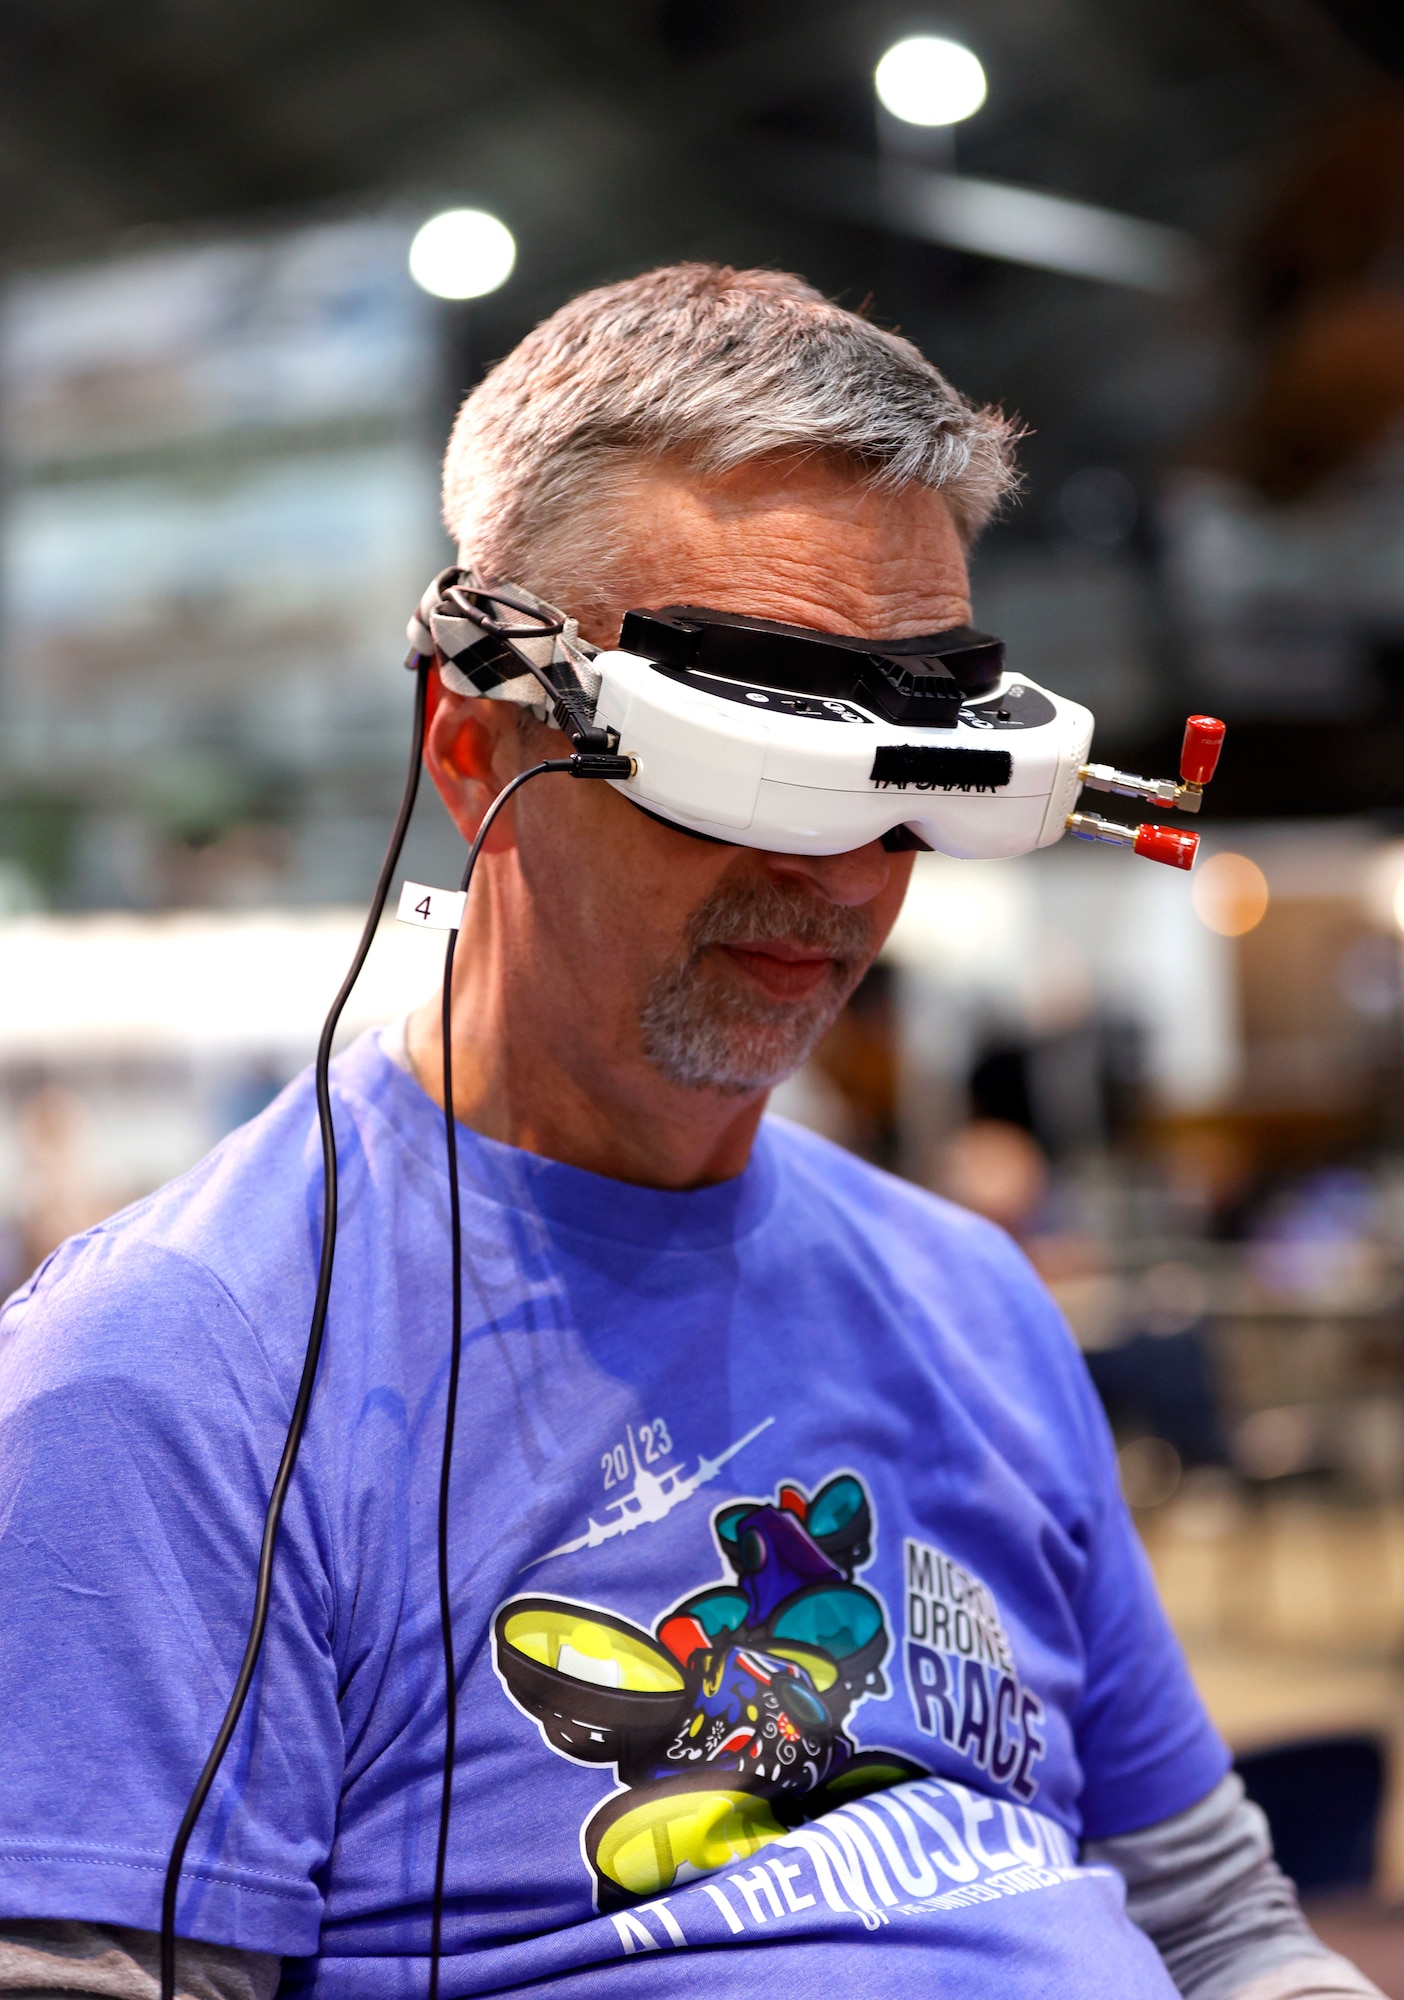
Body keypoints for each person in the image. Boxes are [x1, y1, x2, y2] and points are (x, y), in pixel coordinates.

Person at [0, 265, 1380, 2000]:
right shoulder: (180, 1375)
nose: (826, 886)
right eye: (749, 783)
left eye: (895, 791)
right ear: (474, 740)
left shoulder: (974, 1302)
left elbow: (1223, 1928)